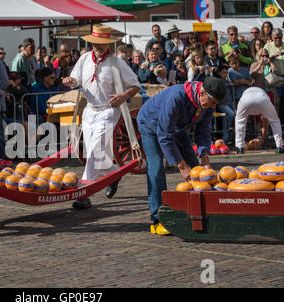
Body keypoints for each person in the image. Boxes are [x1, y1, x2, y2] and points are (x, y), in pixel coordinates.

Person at [63, 25, 141, 209]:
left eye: (103, 43)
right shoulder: (83, 59)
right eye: (96, 43)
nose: (99, 46)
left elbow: (135, 85)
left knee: (94, 151)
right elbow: (75, 80)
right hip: (89, 110)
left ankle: (84, 192)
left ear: (108, 44)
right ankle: (114, 174)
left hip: (108, 110)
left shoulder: (117, 62)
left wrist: (124, 95)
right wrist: (70, 81)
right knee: (95, 153)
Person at [137, 77, 226, 235]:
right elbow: (164, 136)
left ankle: (199, 211)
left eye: (215, 104)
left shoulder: (208, 102)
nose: (213, 106)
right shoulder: (176, 97)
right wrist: (180, 164)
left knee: (197, 168)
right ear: (202, 92)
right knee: (156, 167)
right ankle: (157, 219)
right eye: (212, 102)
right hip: (150, 124)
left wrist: (204, 157)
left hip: (177, 127)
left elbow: (203, 132)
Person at [235, 87, 283, 154]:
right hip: (262, 98)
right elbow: (265, 124)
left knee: (239, 121)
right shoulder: (264, 96)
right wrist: (262, 138)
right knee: (275, 121)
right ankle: (280, 147)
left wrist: (262, 139)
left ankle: (239, 148)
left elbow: (237, 127)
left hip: (246, 99)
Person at [264, 28, 284, 119]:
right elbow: (264, 60)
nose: (278, 40)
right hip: (275, 78)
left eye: (279, 38)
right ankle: (277, 121)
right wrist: (273, 56)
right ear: (272, 37)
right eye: (275, 38)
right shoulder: (267, 46)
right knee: (277, 101)